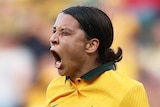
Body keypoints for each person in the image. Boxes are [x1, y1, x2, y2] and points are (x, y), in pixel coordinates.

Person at [46, 6, 150, 107]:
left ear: (91, 45)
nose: (53, 39)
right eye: (54, 31)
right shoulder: (55, 87)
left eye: (65, 32)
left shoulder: (129, 90)